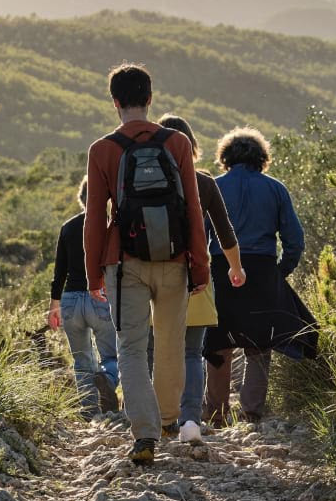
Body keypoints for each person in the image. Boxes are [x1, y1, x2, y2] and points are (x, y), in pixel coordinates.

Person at [84, 64, 210, 466]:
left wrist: (93, 273)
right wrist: (201, 268)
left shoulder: (102, 149)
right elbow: (193, 207)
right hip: (174, 260)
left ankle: (145, 434)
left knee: (131, 349)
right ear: (150, 98)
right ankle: (169, 419)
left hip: (124, 263)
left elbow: (94, 218)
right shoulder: (176, 144)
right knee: (171, 344)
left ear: (115, 102)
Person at [203, 127, 309, 425]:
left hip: (221, 268)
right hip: (262, 270)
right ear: (262, 157)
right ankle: (251, 414)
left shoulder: (215, 187)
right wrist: (279, 272)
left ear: (225, 157)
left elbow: (200, 236)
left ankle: (216, 414)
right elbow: (295, 241)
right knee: (260, 346)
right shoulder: (276, 189)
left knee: (216, 343)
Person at [154, 114, 246, 444]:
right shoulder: (204, 182)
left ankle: (160, 420)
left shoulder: (147, 181)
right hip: (196, 275)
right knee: (192, 353)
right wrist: (236, 268)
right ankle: (190, 419)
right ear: (191, 146)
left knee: (158, 352)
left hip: (153, 279)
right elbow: (225, 233)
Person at [48, 177, 119, 417]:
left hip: (70, 300)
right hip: (100, 297)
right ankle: (107, 379)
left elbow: (59, 272)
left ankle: (89, 412)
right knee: (112, 355)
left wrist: (54, 306)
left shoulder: (67, 227)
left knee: (81, 361)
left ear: (81, 198)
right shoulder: (110, 227)